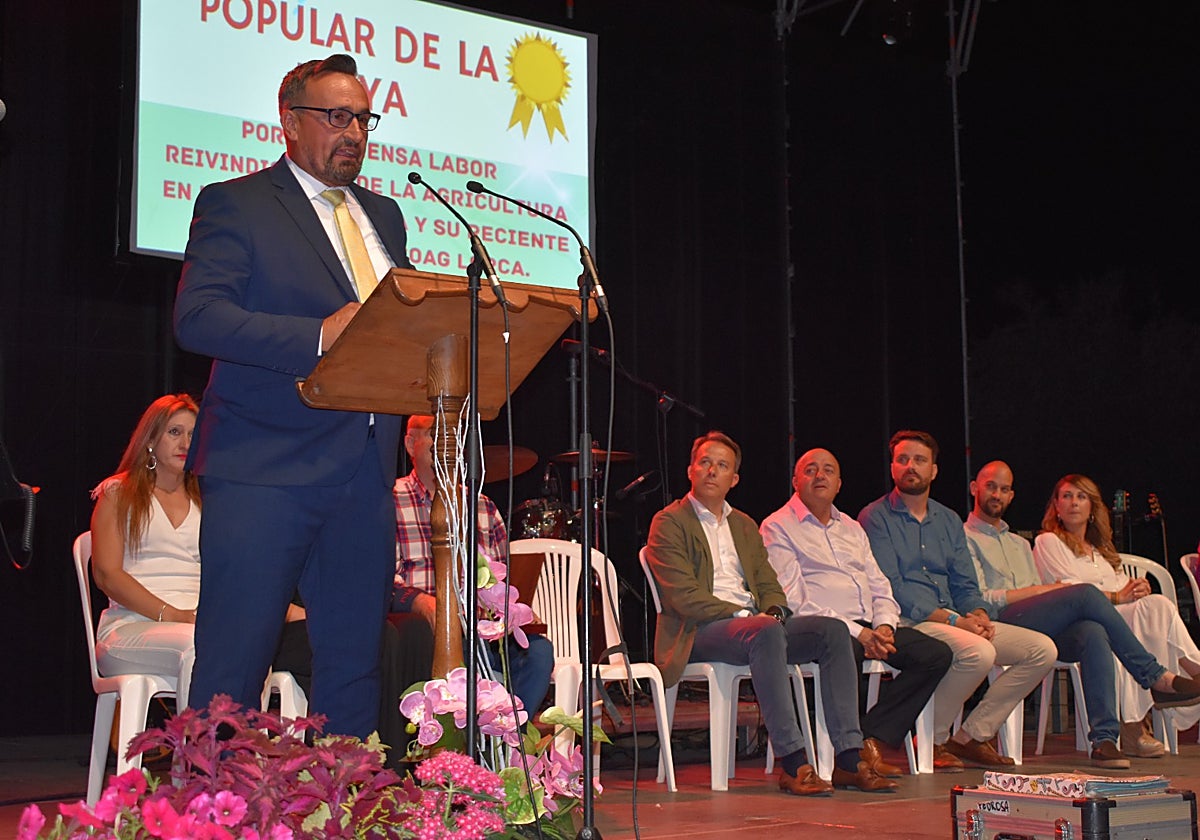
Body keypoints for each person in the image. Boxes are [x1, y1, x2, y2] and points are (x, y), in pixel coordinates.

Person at [174, 53, 413, 737]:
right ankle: (209, 812)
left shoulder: (386, 217)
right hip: (263, 468)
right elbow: (197, 318)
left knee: (352, 667)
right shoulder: (238, 203)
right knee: (234, 665)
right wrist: (318, 334)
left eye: (363, 119)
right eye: (337, 117)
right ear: (290, 122)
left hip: (364, 472)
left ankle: (346, 811)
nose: (354, 134)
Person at [646, 431, 898, 796]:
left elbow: (770, 587)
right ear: (690, 471)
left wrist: (774, 613)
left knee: (831, 631)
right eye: (705, 463)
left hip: (755, 629)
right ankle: (794, 763)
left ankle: (848, 759)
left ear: (734, 479)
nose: (712, 471)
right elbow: (683, 597)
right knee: (763, 631)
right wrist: (747, 616)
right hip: (698, 631)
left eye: (722, 466)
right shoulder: (669, 522)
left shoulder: (744, 525)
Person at [965, 462, 1200, 767]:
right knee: (1087, 594)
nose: (998, 493)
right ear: (974, 488)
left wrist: (1130, 589)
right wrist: (1035, 593)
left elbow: (1048, 591)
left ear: (1012, 495)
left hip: (1044, 623)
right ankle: (1155, 676)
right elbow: (978, 596)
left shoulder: (1019, 544)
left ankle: (1104, 740)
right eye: (991, 486)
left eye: (1005, 488)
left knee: (1094, 631)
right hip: (1002, 619)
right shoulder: (965, 538)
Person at [858, 430, 1056, 769]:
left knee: (1042, 650)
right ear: (892, 467)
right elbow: (893, 587)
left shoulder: (948, 520)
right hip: (912, 621)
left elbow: (965, 582)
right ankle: (931, 739)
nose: (910, 467)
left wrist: (977, 613)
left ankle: (970, 736)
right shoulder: (874, 518)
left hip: (955, 618)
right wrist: (955, 621)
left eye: (919, 460)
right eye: (902, 460)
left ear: (934, 470)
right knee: (978, 652)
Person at [761, 448, 955, 774]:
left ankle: (870, 735)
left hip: (867, 625)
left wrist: (884, 627)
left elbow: (880, 586)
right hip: (819, 628)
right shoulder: (777, 526)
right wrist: (858, 632)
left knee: (935, 654)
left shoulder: (851, 527)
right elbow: (793, 600)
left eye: (828, 470)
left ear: (839, 484)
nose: (819, 476)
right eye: (810, 470)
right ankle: (846, 759)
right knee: (841, 643)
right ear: (795, 480)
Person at [393, 414, 553, 714]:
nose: (448, 441)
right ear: (410, 443)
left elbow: (503, 583)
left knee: (540, 653)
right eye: (435, 432)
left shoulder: (482, 506)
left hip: (482, 633)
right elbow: (383, 584)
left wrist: (506, 612)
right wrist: (422, 603)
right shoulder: (391, 501)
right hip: (427, 633)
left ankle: (506, 743)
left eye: (454, 433)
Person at [1032, 474, 1200, 745]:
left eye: (1081, 496)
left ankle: (1141, 715)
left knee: (1155, 605)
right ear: (1056, 506)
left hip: (1117, 620)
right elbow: (1069, 588)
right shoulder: (1048, 542)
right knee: (1129, 623)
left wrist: (1137, 589)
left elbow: (1124, 591)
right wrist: (1118, 596)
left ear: (1092, 508)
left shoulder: (1101, 552)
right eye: (1067, 496)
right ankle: (1138, 718)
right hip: (1075, 624)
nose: (1074, 502)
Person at [91, 395, 200, 705]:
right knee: (201, 646)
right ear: (151, 439)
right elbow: (106, 574)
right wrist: (174, 615)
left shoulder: (206, 500)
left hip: (196, 622)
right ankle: (195, 752)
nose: (185, 443)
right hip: (131, 627)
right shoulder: (118, 492)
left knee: (248, 648)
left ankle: (245, 750)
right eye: (174, 432)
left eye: (193, 434)